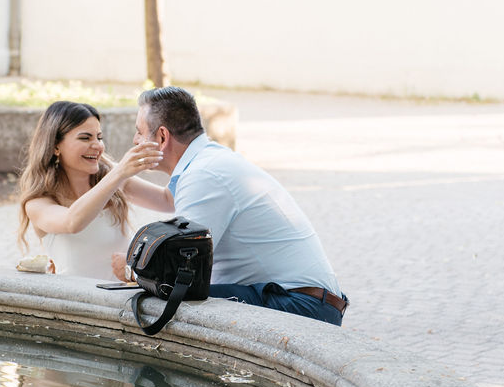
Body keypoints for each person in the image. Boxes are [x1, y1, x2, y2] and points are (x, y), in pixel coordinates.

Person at [132, 86, 348, 326]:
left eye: (139, 133)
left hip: (300, 304)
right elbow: (165, 200)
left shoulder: (203, 175)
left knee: (166, 296)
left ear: (162, 137)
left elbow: (182, 268)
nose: (135, 141)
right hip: (308, 299)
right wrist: (112, 174)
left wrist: (131, 268)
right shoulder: (208, 160)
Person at [18, 100, 172, 281]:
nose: (98, 146)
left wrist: (178, 159)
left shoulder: (113, 177)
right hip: (78, 304)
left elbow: (167, 201)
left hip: (123, 300)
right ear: (55, 146)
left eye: (99, 137)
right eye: (85, 138)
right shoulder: (38, 202)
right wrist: (119, 173)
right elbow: (72, 222)